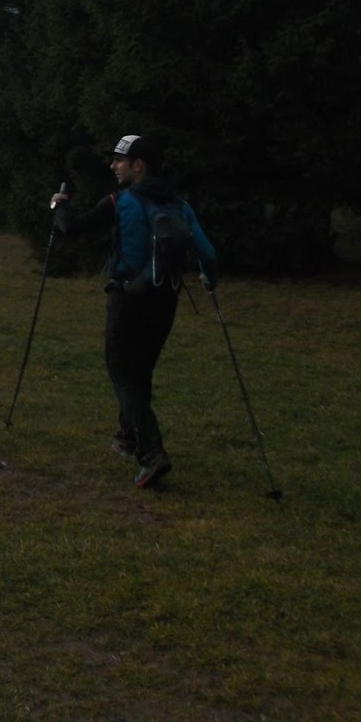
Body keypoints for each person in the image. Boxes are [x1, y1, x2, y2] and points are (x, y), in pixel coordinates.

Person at [50, 134, 217, 490]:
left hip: (128, 300)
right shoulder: (179, 205)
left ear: (138, 165)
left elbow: (70, 229)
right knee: (140, 372)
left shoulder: (119, 201)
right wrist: (209, 279)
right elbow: (209, 254)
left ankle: (152, 454)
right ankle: (127, 437)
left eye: (120, 161)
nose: (113, 166)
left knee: (123, 374)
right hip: (165, 300)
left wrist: (58, 206)